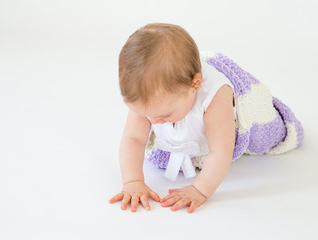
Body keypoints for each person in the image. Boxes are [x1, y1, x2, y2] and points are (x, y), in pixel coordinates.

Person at [109, 23, 304, 213]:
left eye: (164, 115)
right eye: (146, 114)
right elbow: (132, 138)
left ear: (195, 85)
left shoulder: (215, 97)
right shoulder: (146, 93)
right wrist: (133, 181)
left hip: (227, 126)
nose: (153, 122)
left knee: (256, 134)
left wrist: (199, 190)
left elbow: (221, 152)